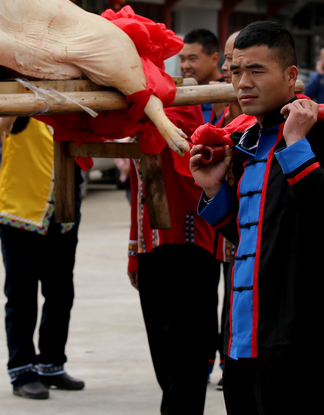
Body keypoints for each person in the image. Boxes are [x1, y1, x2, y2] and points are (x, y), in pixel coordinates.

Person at [191, 21, 324, 413]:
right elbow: (255, 236)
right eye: (236, 72)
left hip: (301, 346)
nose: (242, 82)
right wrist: (214, 189)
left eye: (256, 71)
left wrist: (297, 143)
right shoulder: (246, 142)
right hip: (241, 343)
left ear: (291, 75)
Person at [125, 102, 222, 414]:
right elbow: (137, 190)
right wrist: (134, 253)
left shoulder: (188, 110)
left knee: (188, 358)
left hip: (191, 248)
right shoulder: (139, 113)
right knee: (164, 357)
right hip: (151, 247)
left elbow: (160, 131)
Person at [0, 115, 85, 400]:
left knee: (61, 294)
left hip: (63, 215)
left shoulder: (72, 113)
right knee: (22, 297)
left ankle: (51, 364)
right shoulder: (19, 111)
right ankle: (22, 370)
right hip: (21, 217)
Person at [179, 28, 223, 124]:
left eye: (192, 59)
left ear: (214, 59)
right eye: (182, 59)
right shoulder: (180, 95)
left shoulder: (230, 93)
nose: (185, 66)